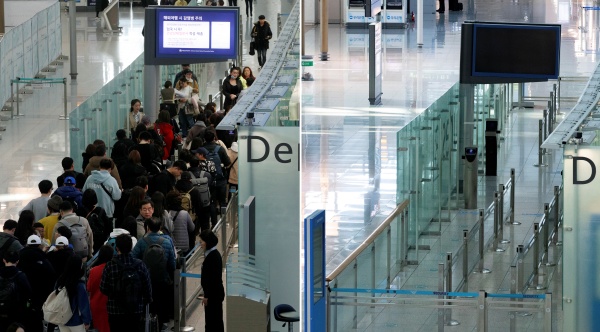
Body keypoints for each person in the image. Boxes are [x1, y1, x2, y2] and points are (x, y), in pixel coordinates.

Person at [100, 234, 152, 332]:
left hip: (115, 310)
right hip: (136, 309)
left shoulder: (110, 265)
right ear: (131, 247)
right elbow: (147, 288)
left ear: (117, 248)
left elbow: (103, 288)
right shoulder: (140, 264)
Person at [131, 218, 176, 330]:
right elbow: (172, 263)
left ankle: (148, 324)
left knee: (149, 302)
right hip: (162, 279)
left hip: (146, 279)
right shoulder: (166, 241)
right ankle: (160, 324)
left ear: (148, 228)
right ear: (160, 228)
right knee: (161, 302)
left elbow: (133, 258)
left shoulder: (142, 242)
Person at [19, 235, 56, 332]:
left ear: (27, 244)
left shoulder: (20, 256)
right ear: (39, 245)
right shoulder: (43, 257)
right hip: (40, 291)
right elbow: (51, 274)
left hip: (23, 291)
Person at [83, 158, 123, 223]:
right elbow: (117, 197)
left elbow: (84, 192)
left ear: (99, 167)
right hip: (107, 212)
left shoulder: (90, 178)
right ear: (110, 169)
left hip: (91, 212)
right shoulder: (112, 180)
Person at [199, 230, 224, 331]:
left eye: (201, 242)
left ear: (207, 242)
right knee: (214, 321)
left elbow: (212, 279)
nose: (200, 244)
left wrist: (207, 296)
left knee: (212, 322)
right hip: (215, 294)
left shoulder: (212, 256)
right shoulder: (212, 254)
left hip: (213, 295)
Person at [0, 251, 32, 332]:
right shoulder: (20, 275)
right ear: (17, 261)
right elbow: (28, 292)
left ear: (4, 260)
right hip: (14, 310)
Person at [87, 245, 114, 332]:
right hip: (111, 305)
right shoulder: (113, 269)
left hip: (96, 305)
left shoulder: (94, 271)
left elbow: (89, 288)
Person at [80, 189, 113, 253]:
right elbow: (109, 226)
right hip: (99, 241)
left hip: (85, 241)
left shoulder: (80, 211)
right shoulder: (100, 211)